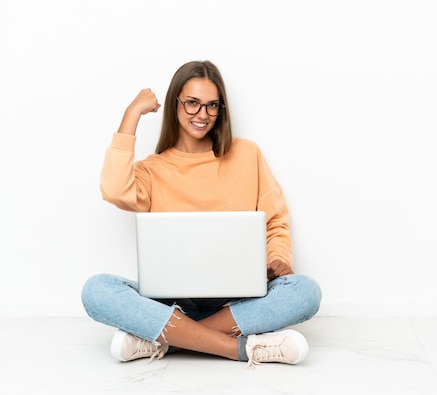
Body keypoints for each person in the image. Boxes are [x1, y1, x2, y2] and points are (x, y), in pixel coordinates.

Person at [81, 60, 322, 367]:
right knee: (97, 290)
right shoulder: (153, 170)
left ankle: (165, 340)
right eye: (192, 103)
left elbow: (274, 221)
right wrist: (132, 114)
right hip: (171, 304)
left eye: (211, 105)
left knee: (305, 292)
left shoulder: (247, 154)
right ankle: (239, 348)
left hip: (236, 303)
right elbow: (114, 189)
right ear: (175, 104)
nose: (202, 115)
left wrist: (279, 260)